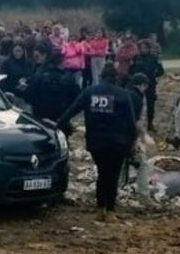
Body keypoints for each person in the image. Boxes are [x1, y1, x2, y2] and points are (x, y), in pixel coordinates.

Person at [57, 65, 137, 220]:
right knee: (113, 175)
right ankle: (111, 210)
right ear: (116, 78)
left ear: (101, 76)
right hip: (118, 142)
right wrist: (133, 141)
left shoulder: (89, 92)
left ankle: (100, 209)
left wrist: (59, 123)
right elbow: (131, 122)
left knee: (102, 173)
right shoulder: (123, 94)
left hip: (96, 140)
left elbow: (72, 110)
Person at [20, 41, 79, 135]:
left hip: (41, 118)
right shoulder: (69, 77)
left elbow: (30, 97)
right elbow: (76, 99)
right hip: (61, 118)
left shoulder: (40, 76)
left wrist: (23, 90)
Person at [132, 39, 165, 132]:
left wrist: (154, 76)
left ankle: (150, 124)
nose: (144, 50)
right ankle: (136, 123)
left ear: (149, 49)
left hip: (150, 84)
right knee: (137, 104)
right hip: (138, 85)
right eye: (142, 48)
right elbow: (132, 69)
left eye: (145, 48)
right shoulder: (136, 58)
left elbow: (161, 71)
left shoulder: (154, 58)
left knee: (151, 104)